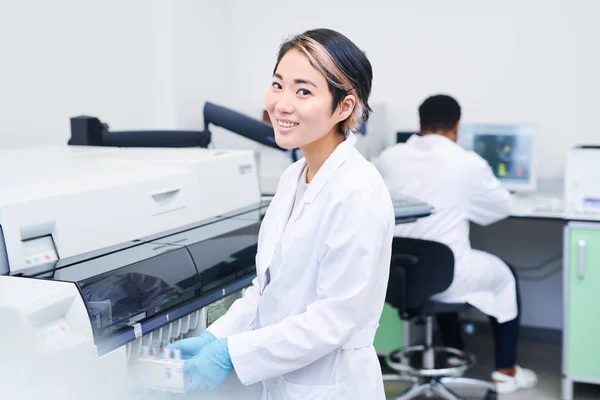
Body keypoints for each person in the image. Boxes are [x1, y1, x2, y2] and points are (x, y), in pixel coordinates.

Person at [170, 28, 395, 399]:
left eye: (303, 91)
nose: (282, 104)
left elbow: (331, 321)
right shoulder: (294, 177)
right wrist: (217, 336)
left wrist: (231, 355)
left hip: (332, 384)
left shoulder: (358, 192)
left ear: (344, 107)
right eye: (278, 85)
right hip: (284, 381)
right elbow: (267, 290)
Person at [374, 94, 538, 394]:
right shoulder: (467, 163)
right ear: (457, 127)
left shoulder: (389, 158)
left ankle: (451, 351)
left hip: (398, 276)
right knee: (506, 276)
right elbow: (501, 208)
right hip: (446, 273)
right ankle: (505, 370)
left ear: (420, 124)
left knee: (442, 269)